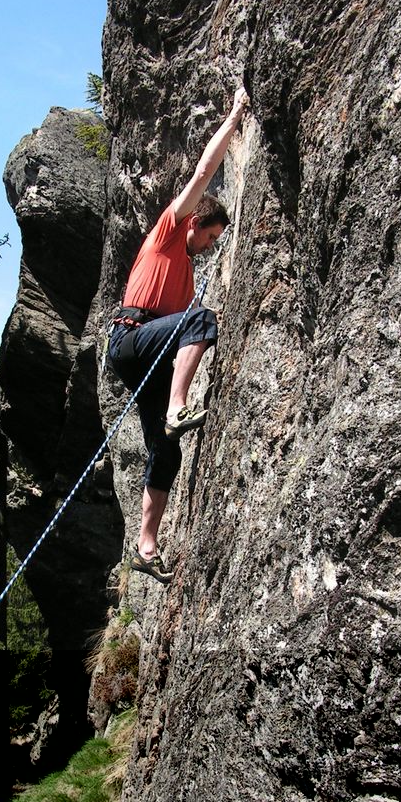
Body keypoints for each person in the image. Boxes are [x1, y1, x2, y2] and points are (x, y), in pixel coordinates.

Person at [107, 86, 248, 584]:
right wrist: (232, 119)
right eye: (210, 237)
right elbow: (203, 173)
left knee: (166, 450)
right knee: (200, 320)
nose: (210, 246)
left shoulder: (187, 270)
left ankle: (146, 548)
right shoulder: (169, 230)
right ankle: (177, 406)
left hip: (147, 355)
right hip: (129, 337)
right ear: (195, 223)